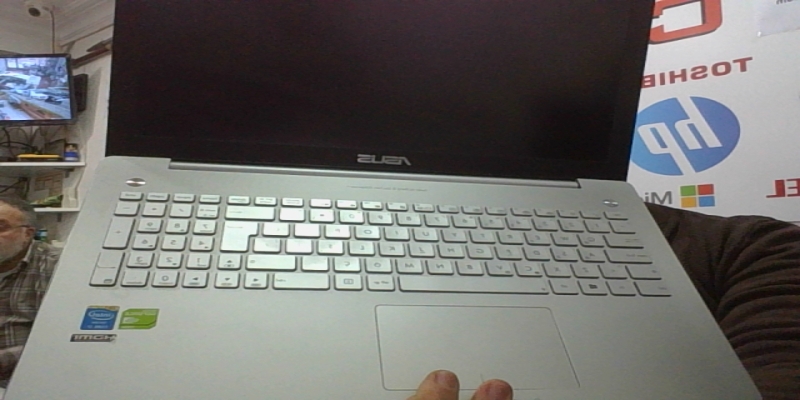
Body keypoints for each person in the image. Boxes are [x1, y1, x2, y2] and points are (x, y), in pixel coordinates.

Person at [0, 197, 60, 388]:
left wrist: (6, 359)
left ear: (27, 234)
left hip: (27, 382)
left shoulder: (58, 268)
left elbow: (62, 340)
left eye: (1, 227)